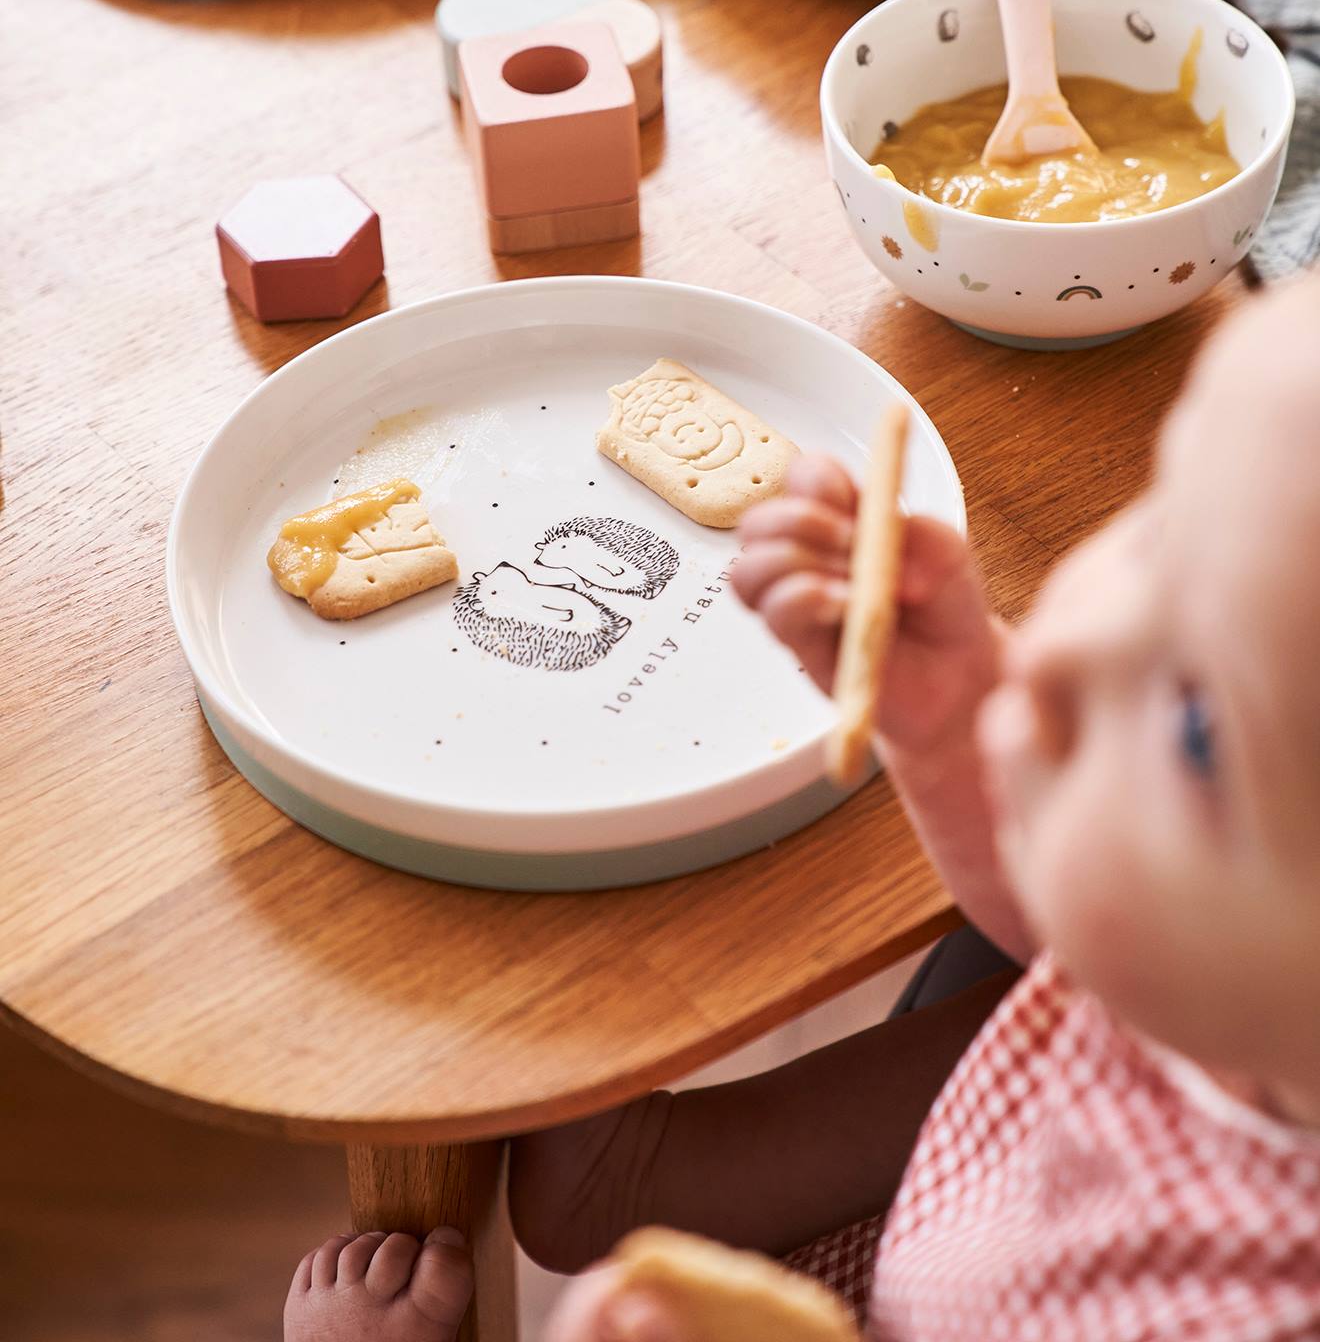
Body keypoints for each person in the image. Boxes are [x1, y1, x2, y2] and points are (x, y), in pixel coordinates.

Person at [284, 272, 1320, 1342]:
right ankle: (623, 1172)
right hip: (980, 1182)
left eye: (1199, 726)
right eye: (1162, 525)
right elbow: (1083, 928)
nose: (1061, 651)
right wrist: (951, 718)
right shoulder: (1239, 973)